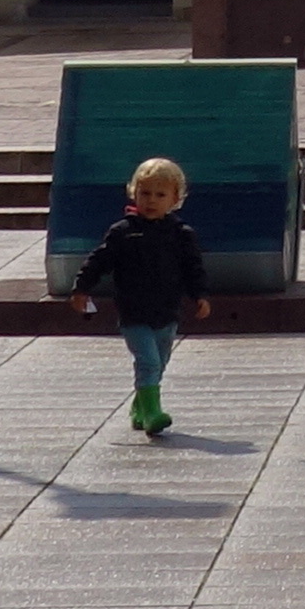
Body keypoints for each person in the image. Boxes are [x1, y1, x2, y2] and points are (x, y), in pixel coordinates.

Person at [73, 155, 209, 435]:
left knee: (160, 362)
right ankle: (152, 414)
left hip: (167, 310)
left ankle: (139, 407)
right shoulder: (123, 232)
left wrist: (200, 296)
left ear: (175, 199)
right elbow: (99, 261)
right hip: (133, 311)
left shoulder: (181, 234)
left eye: (160, 195)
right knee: (148, 361)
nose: (151, 201)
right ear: (133, 193)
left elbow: (193, 269)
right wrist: (82, 288)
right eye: (145, 193)